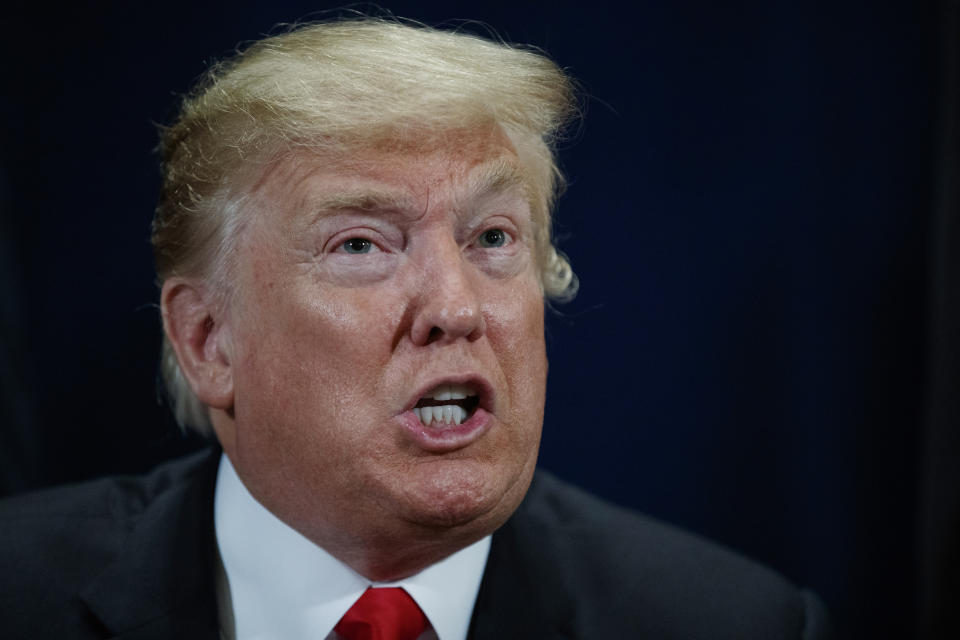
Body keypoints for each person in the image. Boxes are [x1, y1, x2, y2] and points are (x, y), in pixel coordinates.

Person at [0, 17, 833, 639]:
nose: (457, 308)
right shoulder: (20, 590)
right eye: (361, 244)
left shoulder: (734, 623)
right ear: (210, 339)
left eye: (493, 239)